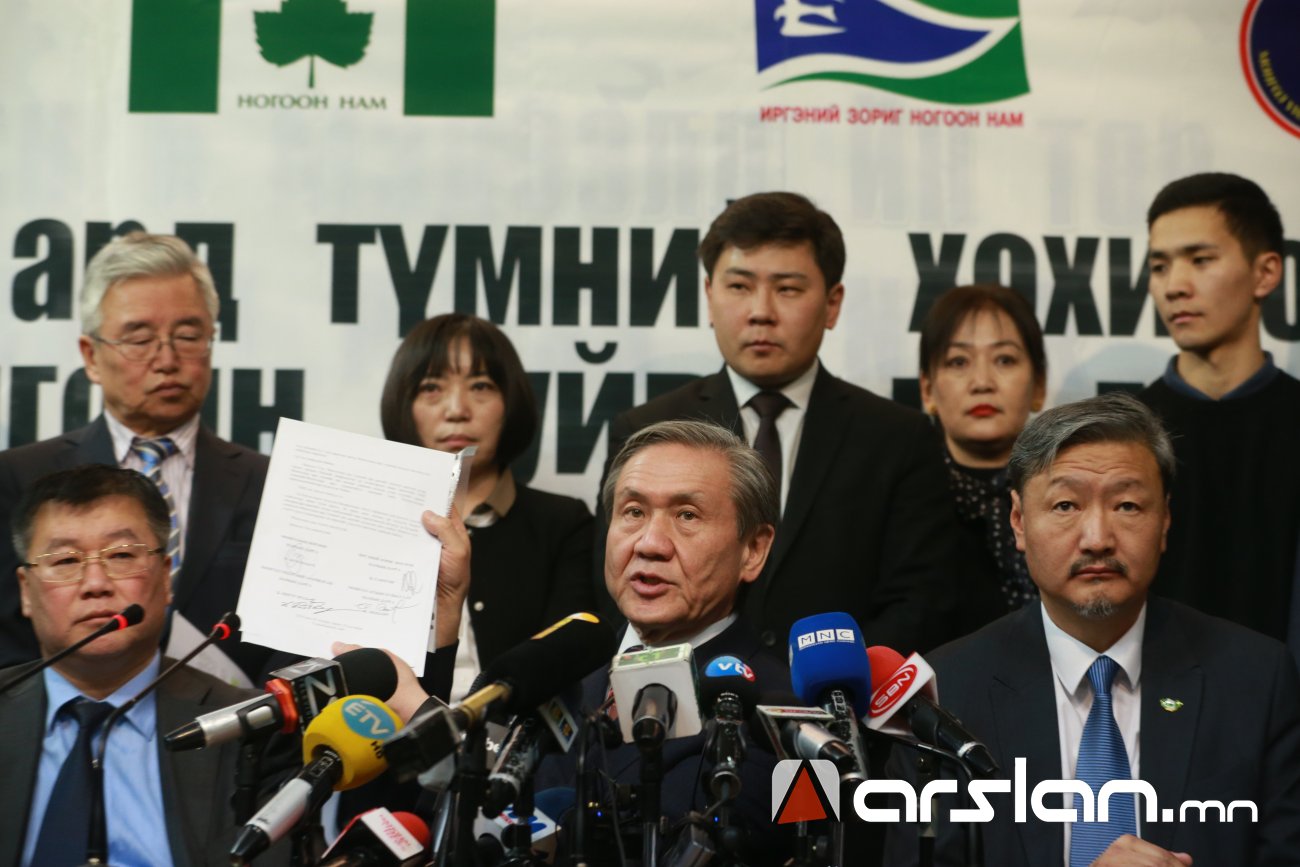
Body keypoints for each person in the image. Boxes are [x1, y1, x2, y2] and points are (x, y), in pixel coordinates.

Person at [884, 393, 1300, 866]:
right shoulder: (944, 694)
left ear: (1165, 519)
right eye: (1066, 505)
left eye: (1127, 505)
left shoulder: (1255, 680)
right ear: (1019, 521)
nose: (1098, 539)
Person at [603, 192, 963, 654]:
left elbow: (920, 602)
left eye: (787, 289)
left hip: (843, 691)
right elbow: (618, 585)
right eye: (739, 287)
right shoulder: (648, 429)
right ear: (709, 296)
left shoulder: (899, 438)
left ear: (832, 303)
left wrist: (823, 683)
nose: (761, 312)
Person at [0, 232, 269, 684]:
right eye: (139, 339)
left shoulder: (270, 484)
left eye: (188, 336)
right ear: (91, 356)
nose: (167, 359)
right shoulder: (17, 477)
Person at [0, 465, 290, 867]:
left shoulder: (253, 727)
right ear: (26, 591)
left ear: (166, 578)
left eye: (121, 555)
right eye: (65, 560)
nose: (95, 583)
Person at [547, 419, 792, 864]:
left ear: (753, 549)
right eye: (633, 512)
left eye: (687, 516)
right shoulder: (559, 678)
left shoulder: (783, 716)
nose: (650, 544)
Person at [380, 313, 595, 699]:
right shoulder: (373, 519)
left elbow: (568, 667)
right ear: (403, 404)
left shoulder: (564, 524)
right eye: (431, 388)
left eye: (480, 386)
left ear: (510, 403)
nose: (456, 409)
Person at [1136, 173, 1300, 661]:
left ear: (1265, 273)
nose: (1174, 286)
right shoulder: (1125, 433)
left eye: (1201, 260)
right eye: (1160, 266)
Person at [918, 283, 1047, 623]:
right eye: (958, 361)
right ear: (927, 389)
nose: (982, 382)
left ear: (1039, 385)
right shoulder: (905, 503)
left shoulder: (1065, 496)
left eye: (1004, 360)